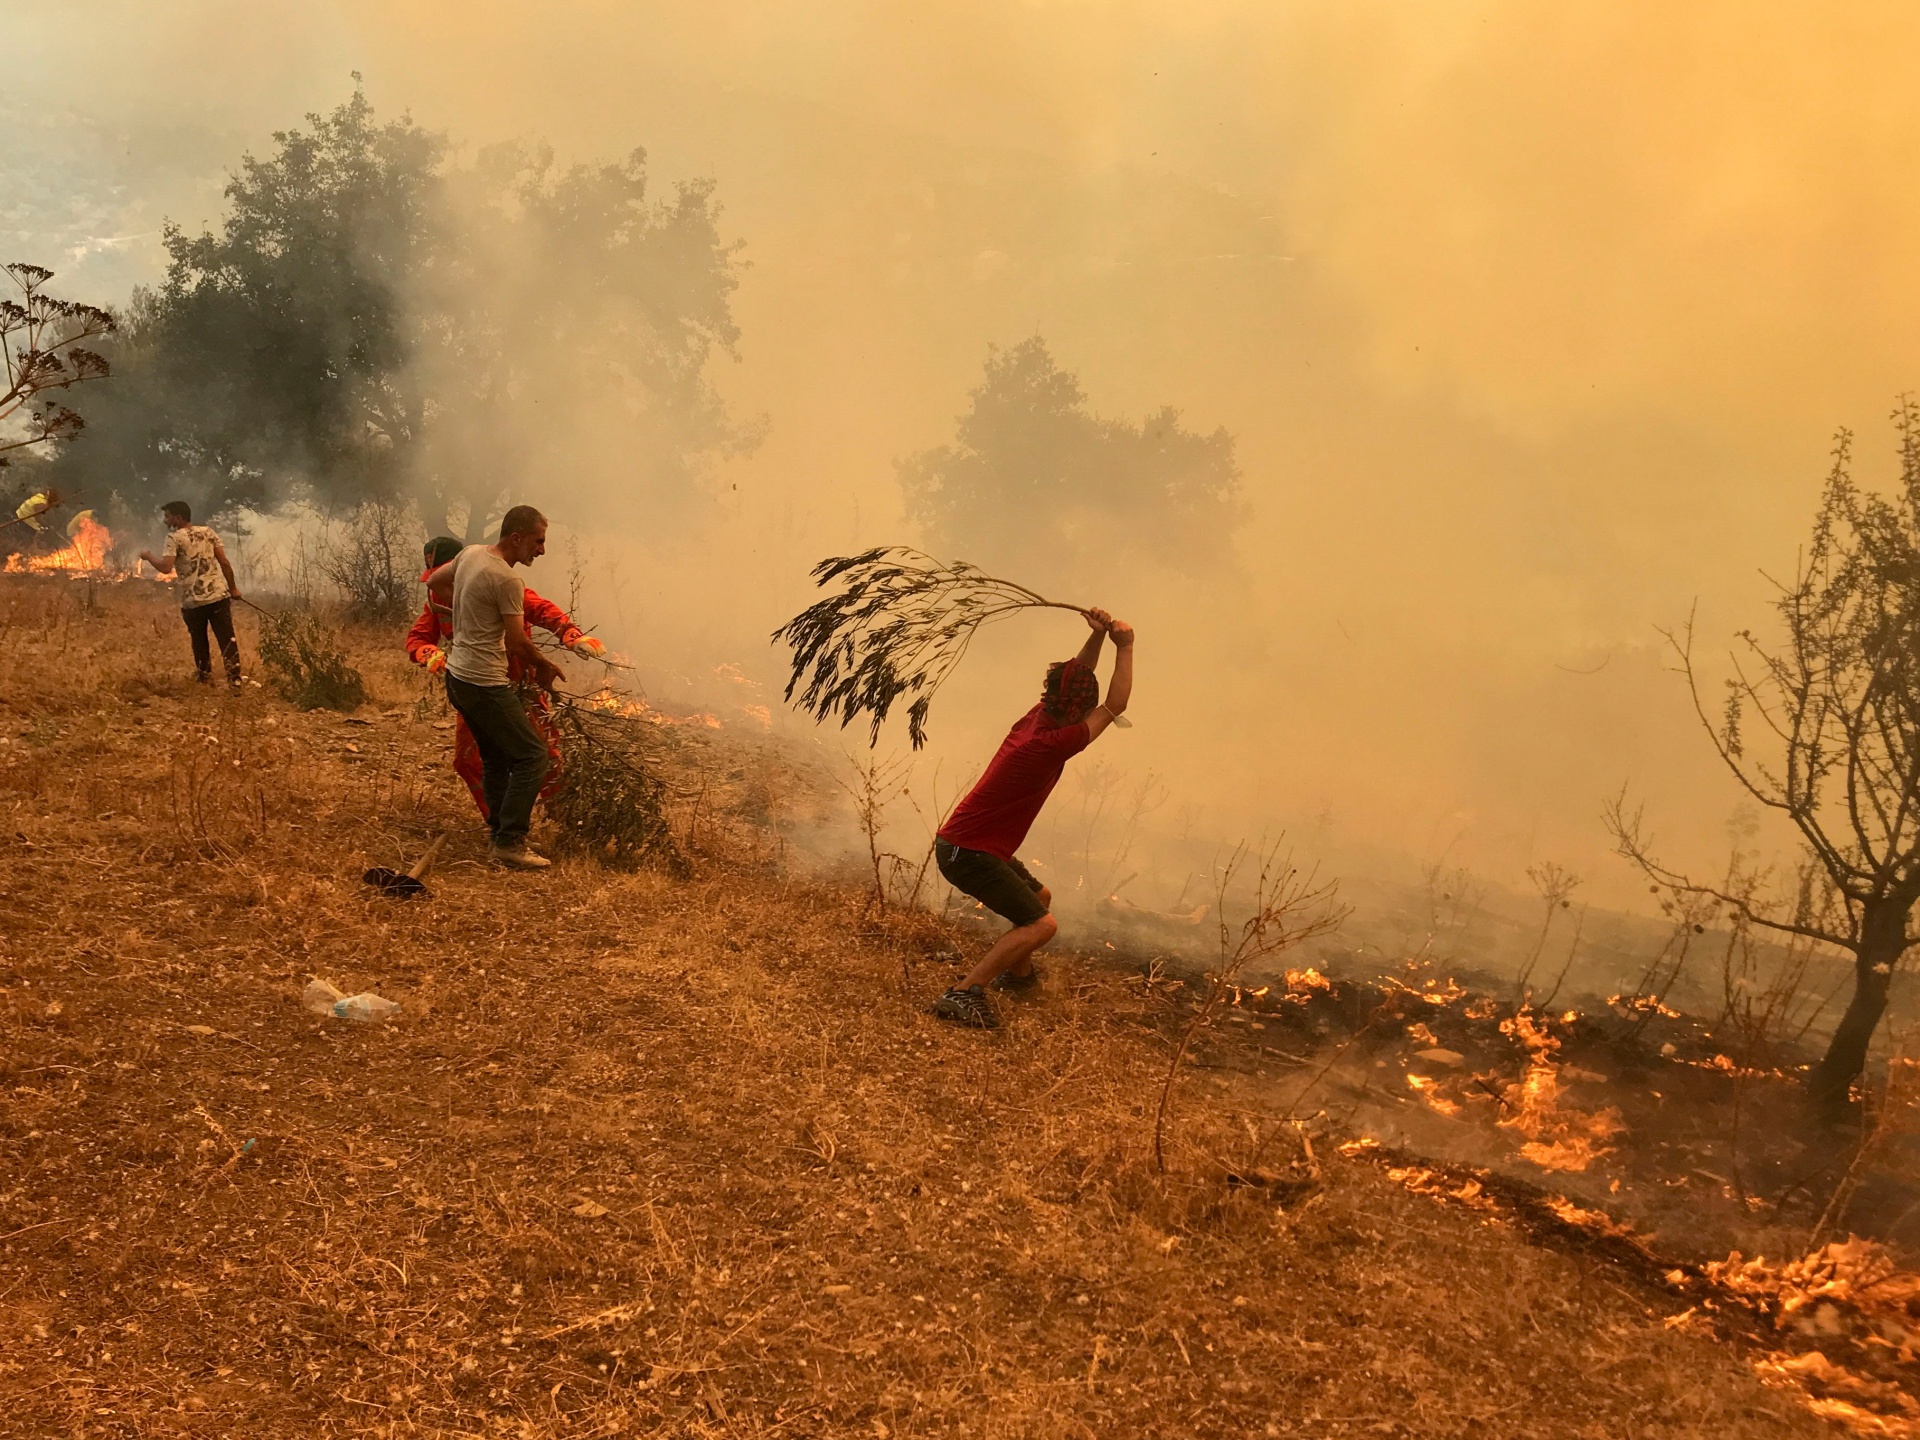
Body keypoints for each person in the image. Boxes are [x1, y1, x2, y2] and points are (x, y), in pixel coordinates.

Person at [930, 608, 1136, 1029]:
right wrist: (1126, 647)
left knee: (1038, 899)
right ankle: (964, 992)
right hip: (968, 853)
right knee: (1042, 925)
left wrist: (1097, 638)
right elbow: (1115, 705)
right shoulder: (1053, 744)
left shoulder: (1038, 716)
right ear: (1079, 709)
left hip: (967, 845)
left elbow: (1075, 677)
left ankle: (1018, 978)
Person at [406, 534, 605, 822]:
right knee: (467, 760)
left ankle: (565, 817)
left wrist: (572, 636)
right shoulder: (437, 597)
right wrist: (428, 653)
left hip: (519, 681)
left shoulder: (494, 580)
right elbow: (418, 637)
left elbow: (539, 608)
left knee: (544, 753)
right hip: (476, 682)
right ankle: (500, 823)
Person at [425, 507, 567, 870]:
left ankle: (499, 834)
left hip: (457, 677)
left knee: (496, 758)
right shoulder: (507, 581)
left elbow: (434, 583)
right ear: (516, 538)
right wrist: (544, 665)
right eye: (538, 541)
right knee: (532, 755)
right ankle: (510, 841)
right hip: (484, 683)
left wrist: (466, 613)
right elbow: (517, 642)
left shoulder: (471, 554)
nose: (542, 550)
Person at [138, 501, 243, 687]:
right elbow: (224, 563)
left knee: (199, 641)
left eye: (167, 516)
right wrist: (233, 588)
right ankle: (235, 679)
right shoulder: (208, 532)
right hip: (219, 596)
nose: (165, 520)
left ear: (178, 518)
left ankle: (204, 678)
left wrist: (148, 557)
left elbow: (165, 567)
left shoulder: (174, 538)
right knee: (227, 638)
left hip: (194, 602)